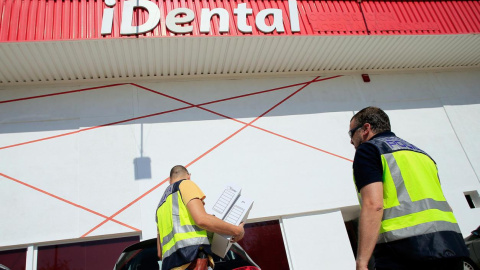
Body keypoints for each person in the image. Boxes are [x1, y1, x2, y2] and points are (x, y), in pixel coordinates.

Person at [349, 107, 469, 270]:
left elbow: (373, 205)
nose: (351, 141)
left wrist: (362, 262)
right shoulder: (422, 154)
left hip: (405, 250)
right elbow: (446, 206)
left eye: (351, 134)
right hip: (451, 246)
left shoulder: (369, 150)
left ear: (366, 129)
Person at [156, 165, 245, 270]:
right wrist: (236, 230)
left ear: (169, 180)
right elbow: (202, 220)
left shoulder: (160, 207)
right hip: (192, 261)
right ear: (189, 176)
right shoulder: (185, 184)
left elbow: (159, 253)